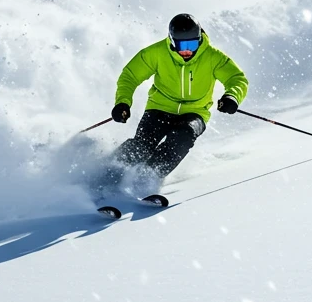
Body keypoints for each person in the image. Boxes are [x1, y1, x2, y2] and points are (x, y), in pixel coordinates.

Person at [104, 13, 248, 190]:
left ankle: (147, 177)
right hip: (159, 107)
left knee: (183, 136)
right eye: (181, 45)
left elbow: (237, 78)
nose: (187, 50)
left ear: (199, 39)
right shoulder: (156, 53)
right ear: (171, 40)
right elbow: (129, 76)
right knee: (143, 144)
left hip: (195, 112)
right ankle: (108, 171)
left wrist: (231, 97)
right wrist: (123, 102)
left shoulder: (212, 57)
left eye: (193, 44)